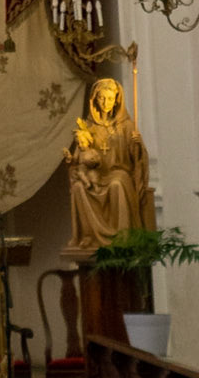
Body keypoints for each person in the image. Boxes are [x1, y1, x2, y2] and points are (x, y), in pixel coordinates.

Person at [64, 77, 154, 252]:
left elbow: (137, 159)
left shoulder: (126, 126)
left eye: (110, 98)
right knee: (78, 188)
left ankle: (122, 237)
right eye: (102, 98)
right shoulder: (88, 126)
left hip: (119, 172)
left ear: (116, 101)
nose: (106, 103)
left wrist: (137, 145)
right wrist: (73, 163)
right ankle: (88, 236)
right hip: (95, 174)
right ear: (95, 100)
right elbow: (80, 155)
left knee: (116, 185)